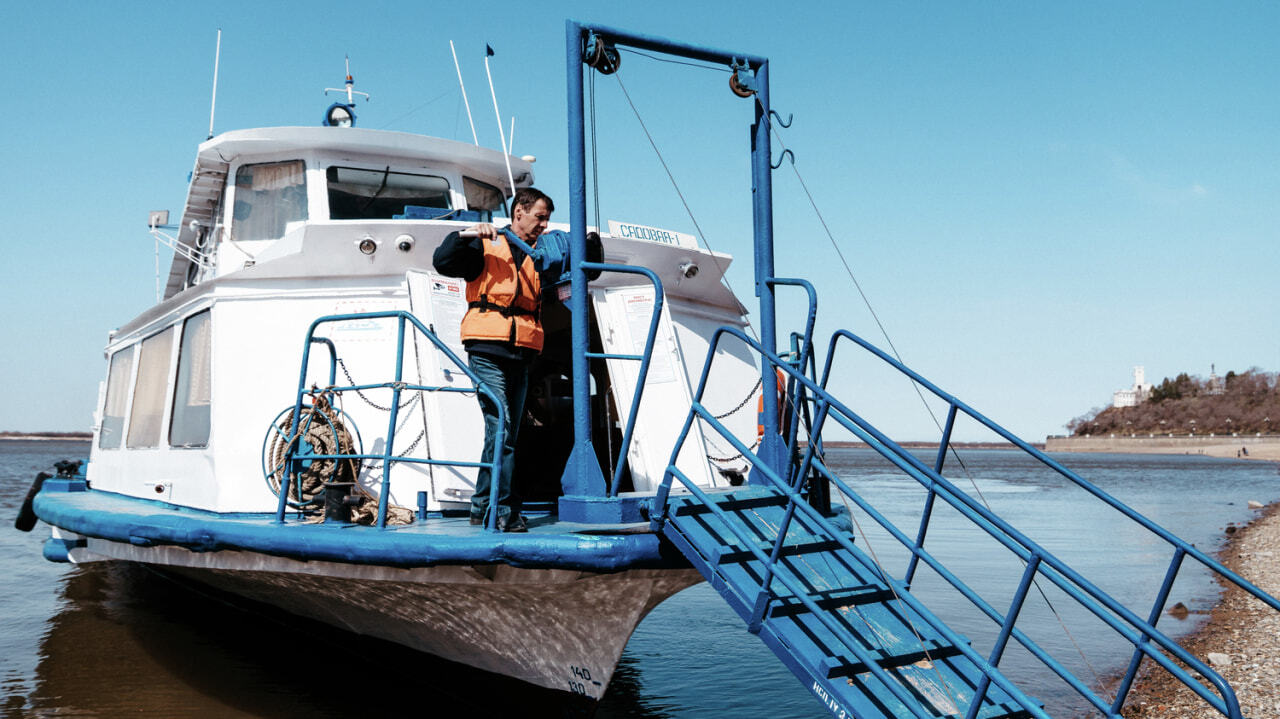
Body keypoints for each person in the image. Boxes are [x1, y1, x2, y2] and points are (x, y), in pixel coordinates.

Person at [432, 187, 600, 532]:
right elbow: (443, 260)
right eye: (539, 217)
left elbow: (576, 267)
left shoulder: (541, 255)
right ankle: (503, 510)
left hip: (522, 352)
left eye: (547, 219)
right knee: (502, 427)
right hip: (487, 349)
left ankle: (481, 505)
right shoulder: (485, 244)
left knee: (505, 432)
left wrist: (590, 243)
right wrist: (464, 234)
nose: (543, 224)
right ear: (519, 213)